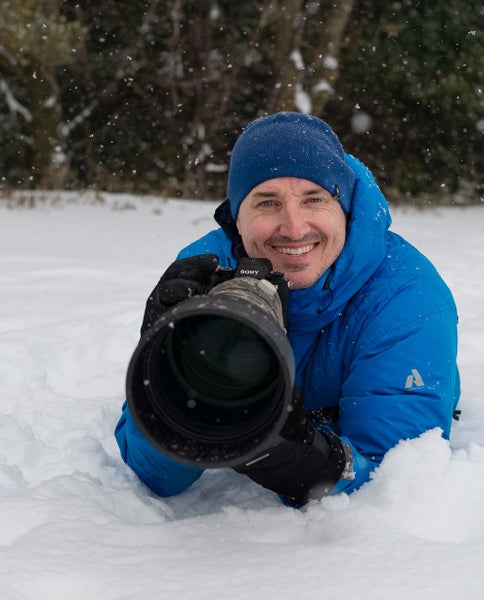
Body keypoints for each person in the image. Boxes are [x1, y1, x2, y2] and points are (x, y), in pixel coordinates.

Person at [115, 111, 460, 506]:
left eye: (314, 199)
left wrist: (306, 464)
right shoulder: (203, 275)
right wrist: (163, 375)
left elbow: (393, 479)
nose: (295, 229)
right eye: (267, 202)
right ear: (237, 219)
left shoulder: (406, 300)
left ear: (344, 209)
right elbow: (153, 475)